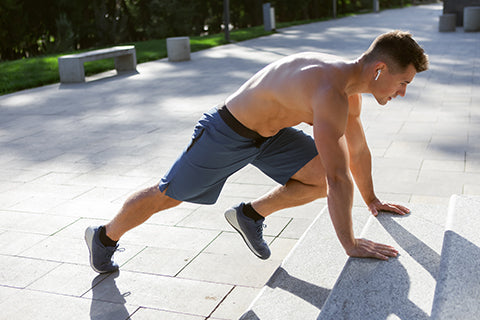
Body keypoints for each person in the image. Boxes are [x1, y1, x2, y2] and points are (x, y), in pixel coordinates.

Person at [85, 30, 429, 274]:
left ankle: (249, 215)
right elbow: (341, 177)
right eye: (403, 83)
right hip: (227, 131)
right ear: (379, 69)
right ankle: (103, 237)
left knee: (320, 178)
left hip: (271, 136)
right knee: (169, 196)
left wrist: (371, 200)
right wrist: (350, 243)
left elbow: (357, 150)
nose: (401, 92)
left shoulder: (350, 92)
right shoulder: (330, 91)